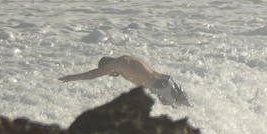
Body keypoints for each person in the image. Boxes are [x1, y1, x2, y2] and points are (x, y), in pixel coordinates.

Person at [59, 54, 190, 107]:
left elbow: (95, 73)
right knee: (186, 110)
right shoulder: (128, 59)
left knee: (183, 115)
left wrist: (72, 77)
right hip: (165, 81)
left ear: (108, 66)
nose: (110, 75)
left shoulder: (118, 63)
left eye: (108, 73)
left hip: (161, 87)